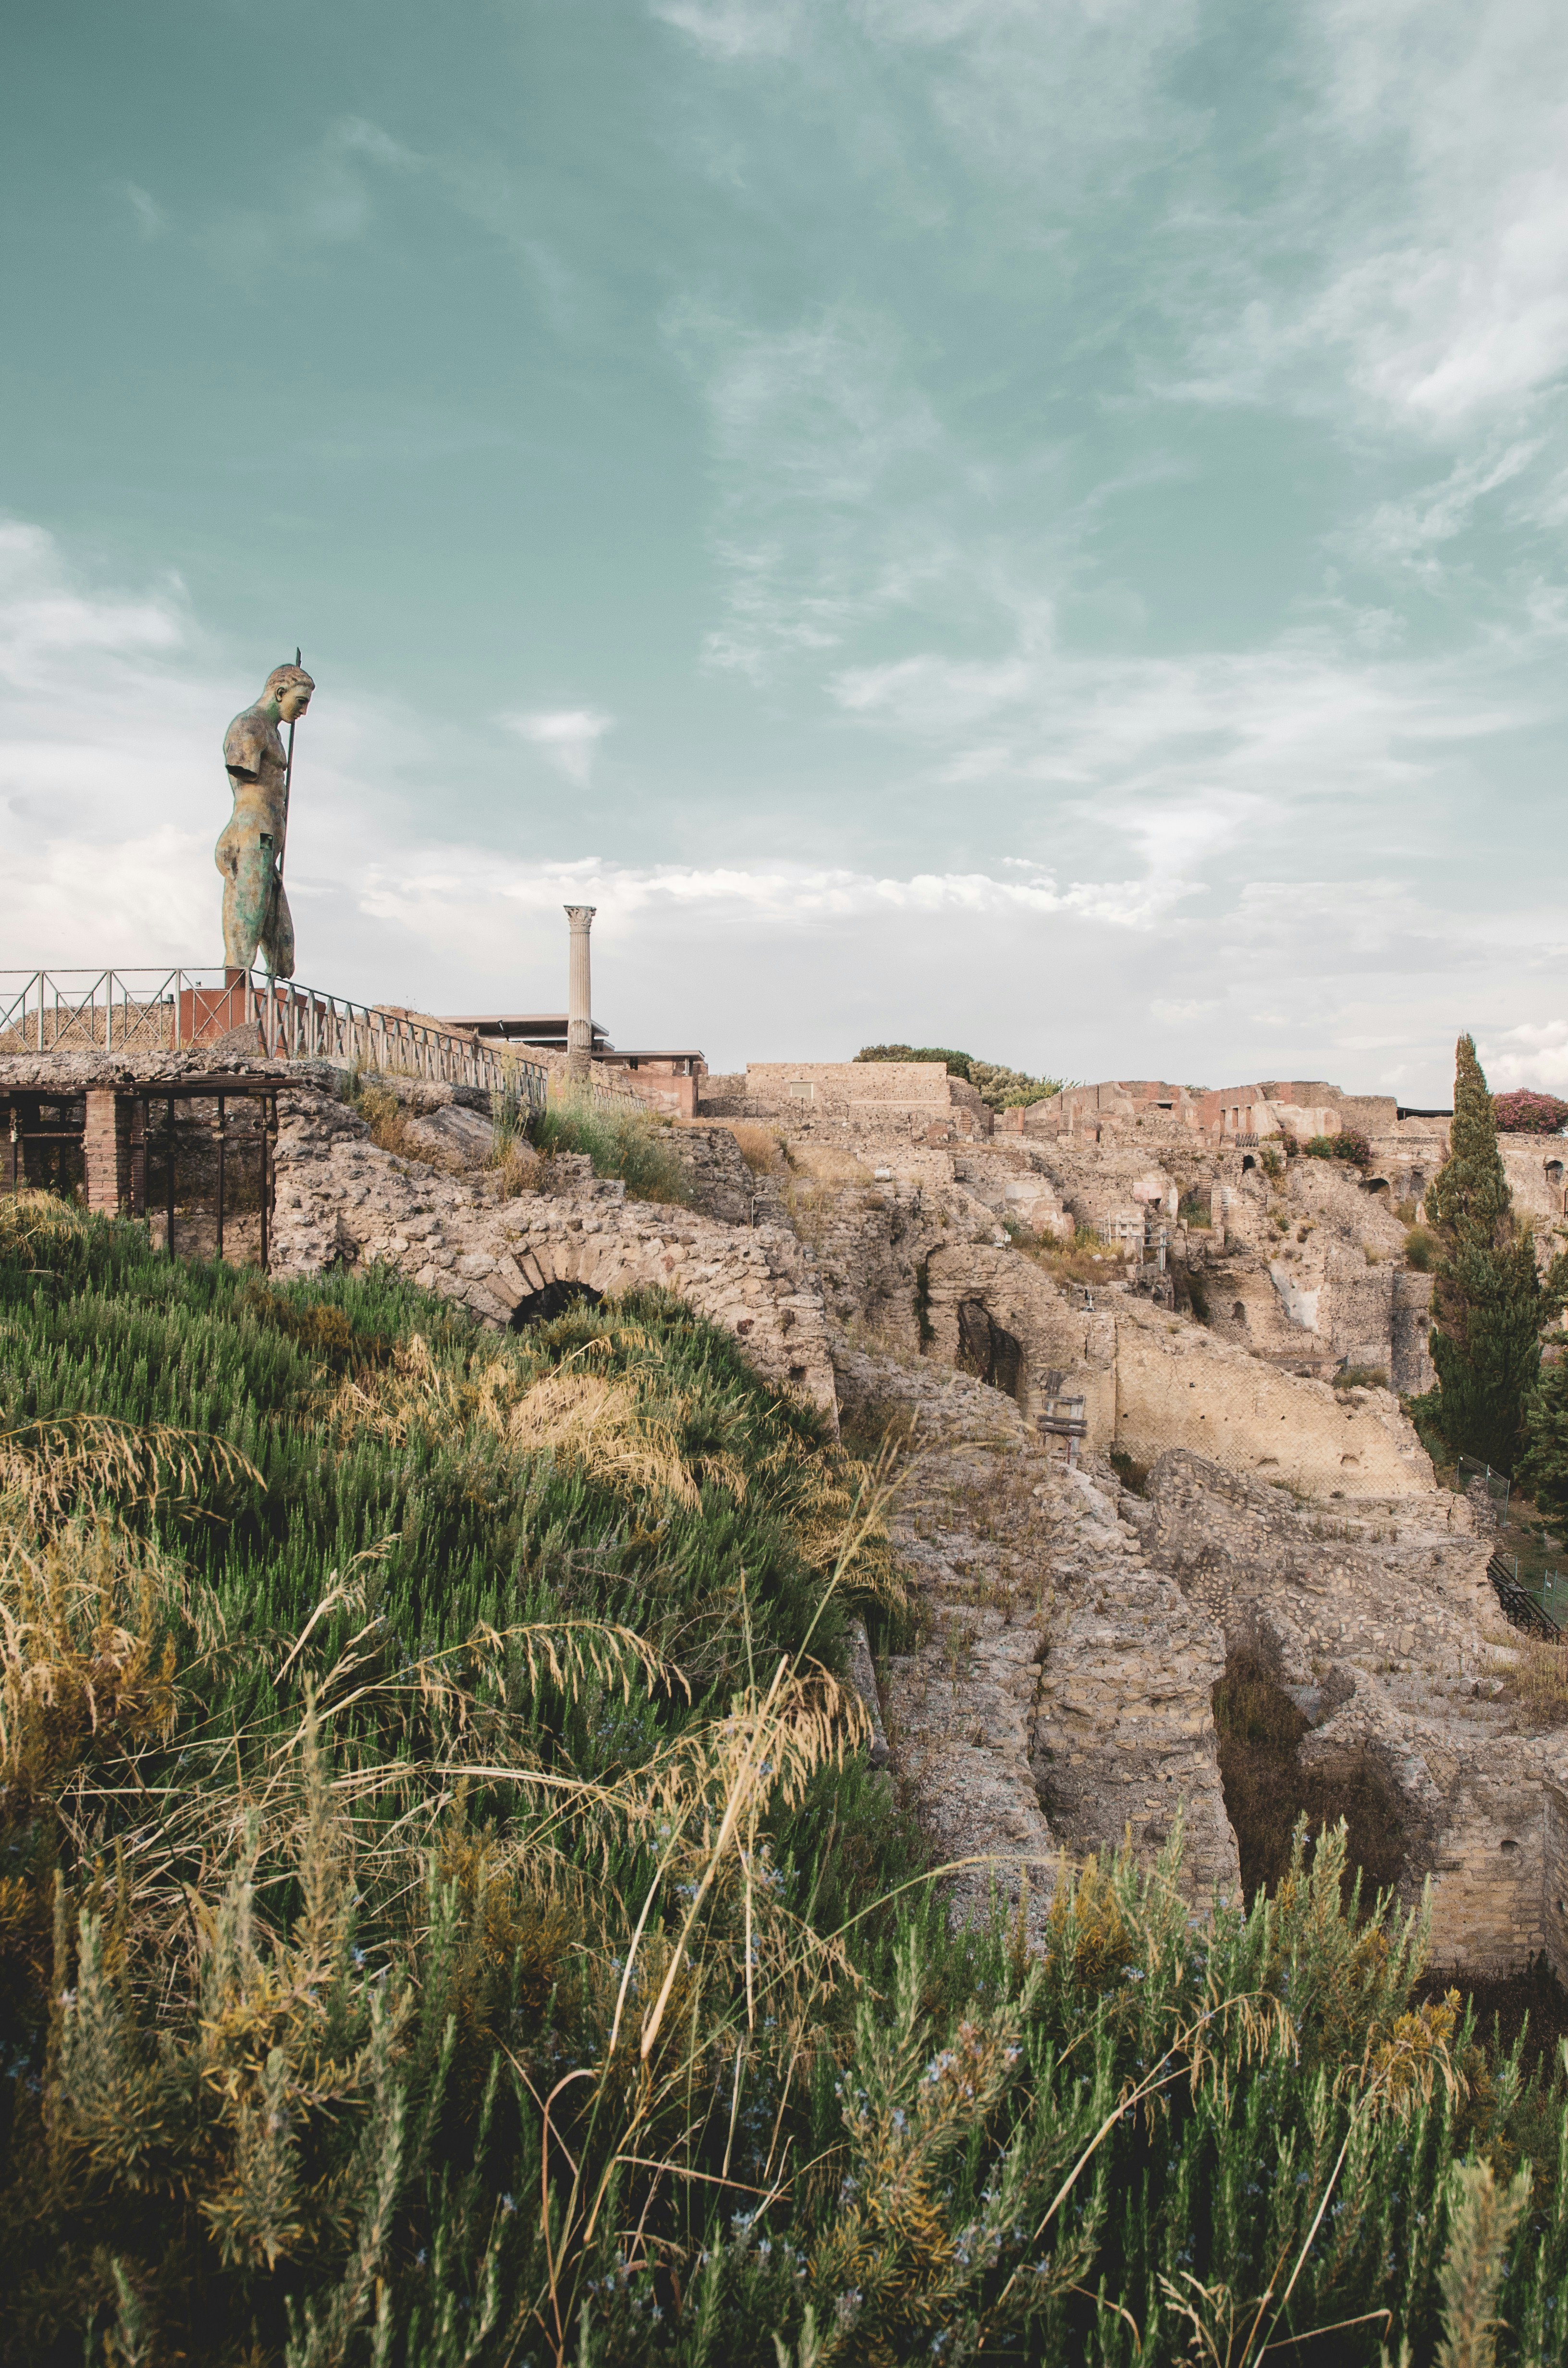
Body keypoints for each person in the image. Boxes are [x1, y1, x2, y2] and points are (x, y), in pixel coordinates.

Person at [215, 662, 313, 975]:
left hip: (268, 841)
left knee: (282, 945)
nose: (304, 712)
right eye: (301, 702)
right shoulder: (250, 726)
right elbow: (246, 786)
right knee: (248, 920)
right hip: (253, 834)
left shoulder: (272, 733)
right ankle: (234, 993)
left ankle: (268, 993)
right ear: (280, 693)